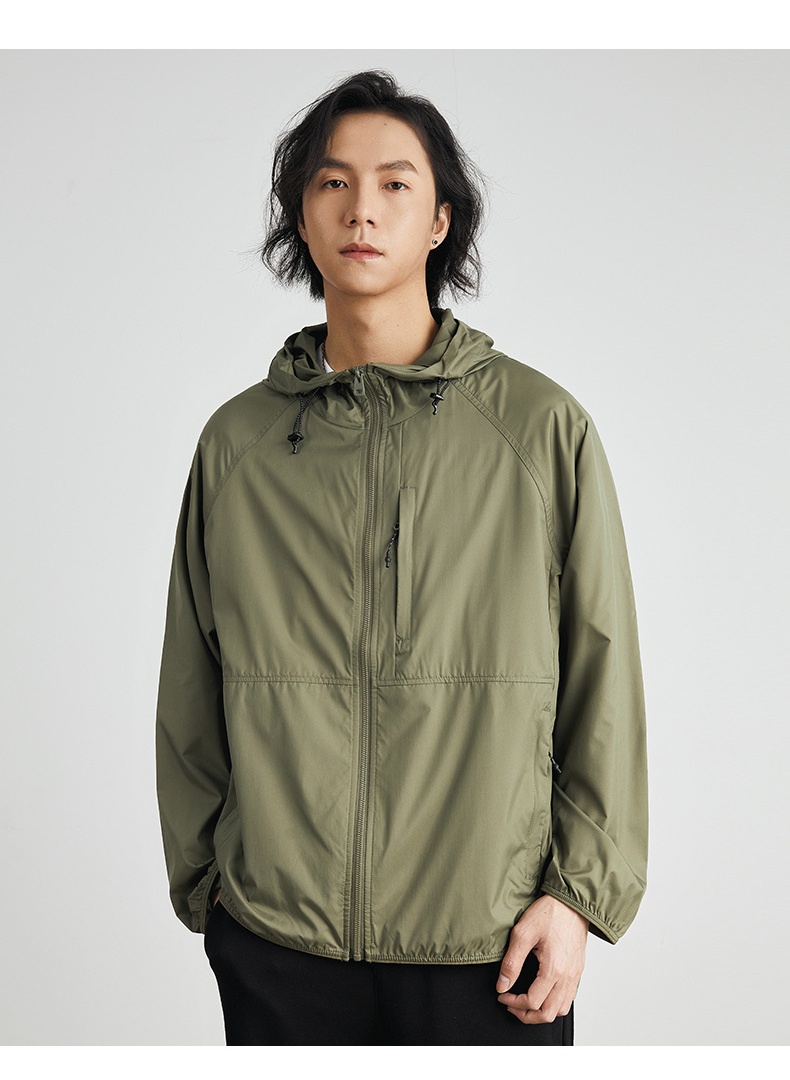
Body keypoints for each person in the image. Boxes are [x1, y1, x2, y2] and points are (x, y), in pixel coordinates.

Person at [155, 69, 648, 1046]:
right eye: (333, 183)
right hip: (279, 941)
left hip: (490, 944)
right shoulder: (238, 444)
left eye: (394, 184)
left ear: (438, 222)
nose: (361, 210)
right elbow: (192, 678)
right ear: (301, 217)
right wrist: (213, 889)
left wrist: (577, 897)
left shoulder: (539, 429)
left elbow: (603, 676)